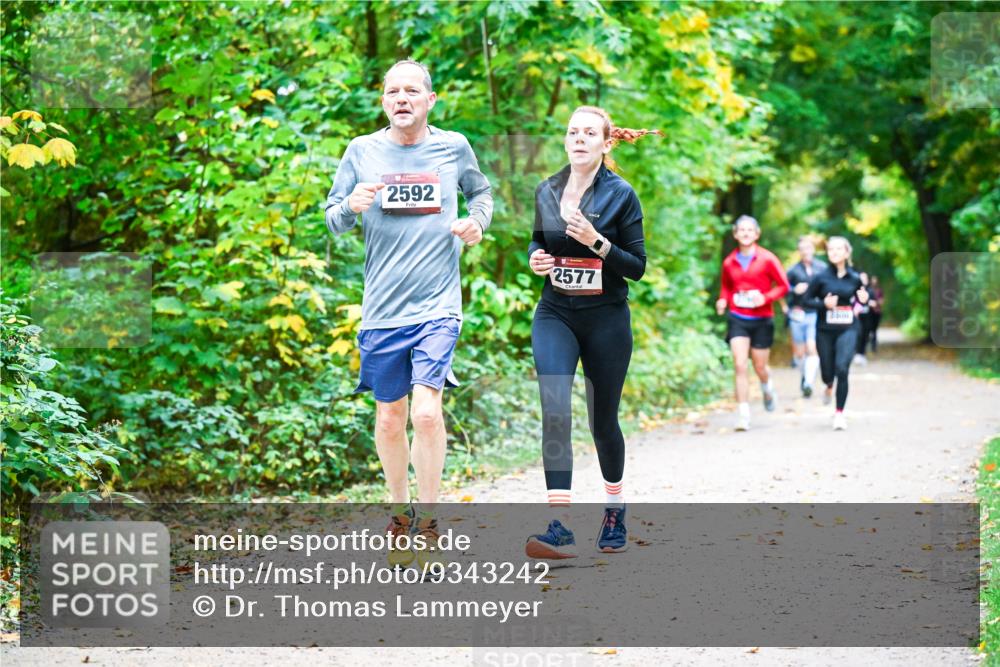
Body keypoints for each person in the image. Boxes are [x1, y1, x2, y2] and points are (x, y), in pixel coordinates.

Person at [323, 60, 493, 567]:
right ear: (383, 101)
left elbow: (480, 193)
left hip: (438, 303)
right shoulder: (362, 151)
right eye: (393, 91)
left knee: (425, 411)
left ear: (430, 100)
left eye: (412, 90)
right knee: (390, 419)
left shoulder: (453, 146)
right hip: (382, 308)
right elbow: (333, 220)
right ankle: (400, 514)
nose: (402, 98)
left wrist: (476, 223)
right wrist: (350, 205)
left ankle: (431, 519)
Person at [523, 106, 659, 561]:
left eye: (588, 133)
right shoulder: (547, 189)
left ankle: (615, 509)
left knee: (603, 421)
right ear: (566, 141)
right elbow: (537, 242)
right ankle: (559, 526)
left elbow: (637, 267)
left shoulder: (623, 195)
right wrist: (536, 258)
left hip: (606, 318)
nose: (579, 139)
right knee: (555, 406)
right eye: (572, 132)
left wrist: (596, 242)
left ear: (605, 143)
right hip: (555, 313)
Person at [715, 216, 790, 431]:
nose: (746, 233)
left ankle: (767, 386)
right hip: (738, 318)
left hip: (762, 319)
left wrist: (765, 298)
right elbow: (726, 287)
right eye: (742, 230)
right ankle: (743, 415)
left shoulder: (767, 259)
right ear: (735, 234)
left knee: (759, 366)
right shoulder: (729, 262)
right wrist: (723, 300)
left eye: (750, 230)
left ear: (757, 234)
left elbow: (783, 286)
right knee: (739, 364)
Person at [803, 236, 869, 430]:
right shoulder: (820, 277)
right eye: (831, 249)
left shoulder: (855, 278)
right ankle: (828, 385)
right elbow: (806, 301)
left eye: (839, 249)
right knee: (827, 373)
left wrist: (863, 300)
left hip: (848, 327)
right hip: (824, 330)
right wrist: (823, 304)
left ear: (847, 253)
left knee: (842, 368)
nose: (834, 252)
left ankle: (839, 413)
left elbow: (861, 299)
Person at [785, 236, 826, 397]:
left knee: (812, 348)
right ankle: (805, 376)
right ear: (799, 252)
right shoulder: (793, 270)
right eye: (802, 249)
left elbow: (828, 286)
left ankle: (809, 382)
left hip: (815, 313)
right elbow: (782, 288)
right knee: (800, 353)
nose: (805, 252)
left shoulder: (822, 268)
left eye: (808, 248)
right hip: (797, 313)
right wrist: (794, 289)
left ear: (813, 249)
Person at [854, 271, 872, 365]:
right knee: (858, 334)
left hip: (867, 317)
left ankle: (862, 354)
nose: (863, 280)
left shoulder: (870, 290)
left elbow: (874, 301)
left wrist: (871, 303)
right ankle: (857, 354)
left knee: (865, 335)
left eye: (865, 278)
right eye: (861, 278)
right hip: (857, 317)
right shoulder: (854, 289)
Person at [868, 275, 884, 352]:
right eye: (873, 280)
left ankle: (873, 345)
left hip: (876, 312)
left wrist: (876, 303)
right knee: (869, 329)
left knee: (874, 329)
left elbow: (882, 301)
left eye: (875, 280)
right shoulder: (868, 290)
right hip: (869, 312)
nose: (874, 281)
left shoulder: (879, 290)